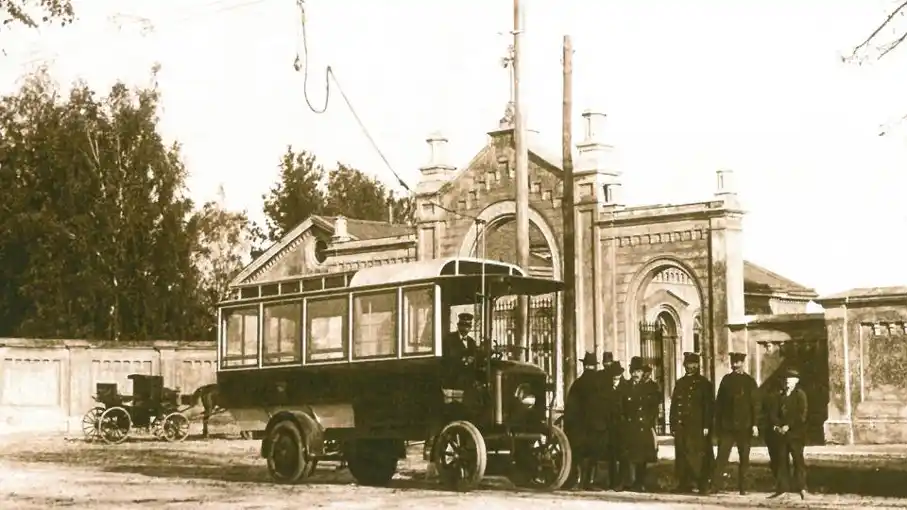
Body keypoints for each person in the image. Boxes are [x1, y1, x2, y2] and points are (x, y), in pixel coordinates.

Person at [710, 352, 760, 495]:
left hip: (745, 426)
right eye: (733, 362)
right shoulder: (726, 380)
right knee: (721, 456)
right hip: (727, 426)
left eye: (738, 362)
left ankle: (743, 487)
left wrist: (755, 424)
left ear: (743, 363)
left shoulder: (750, 382)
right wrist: (717, 424)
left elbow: (755, 404)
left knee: (744, 457)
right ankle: (715, 486)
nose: (735, 365)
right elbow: (719, 403)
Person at [669, 352, 715, 494]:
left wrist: (707, 425)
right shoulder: (680, 383)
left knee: (700, 455)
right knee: (682, 454)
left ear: (698, 365)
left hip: (698, 426)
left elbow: (709, 406)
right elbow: (674, 405)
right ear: (684, 365)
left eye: (694, 364)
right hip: (682, 425)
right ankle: (684, 484)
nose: (691, 367)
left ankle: (702, 484)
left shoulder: (704, 384)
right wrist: (673, 424)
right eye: (688, 364)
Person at [620, 356, 660, 492]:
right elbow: (621, 406)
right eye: (633, 372)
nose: (635, 374)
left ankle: (640, 482)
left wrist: (649, 421)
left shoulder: (649, 388)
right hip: (629, 425)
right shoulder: (625, 387)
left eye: (638, 372)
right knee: (628, 455)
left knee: (642, 456)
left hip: (643, 425)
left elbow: (654, 407)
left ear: (643, 373)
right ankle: (628, 481)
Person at [768, 367, 809, 500]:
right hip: (781, 435)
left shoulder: (800, 395)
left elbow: (801, 415)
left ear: (796, 381)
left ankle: (802, 488)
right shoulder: (779, 395)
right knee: (781, 461)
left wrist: (788, 426)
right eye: (786, 380)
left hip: (795, 434)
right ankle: (782, 489)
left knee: (798, 461)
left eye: (790, 380)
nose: (787, 382)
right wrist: (776, 426)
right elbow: (773, 413)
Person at [563, 352, 603, 490]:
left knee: (578, 455)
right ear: (594, 366)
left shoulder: (577, 384)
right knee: (593, 455)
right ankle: (589, 482)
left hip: (579, 427)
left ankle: (575, 480)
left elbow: (570, 408)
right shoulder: (599, 384)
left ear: (584, 366)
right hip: (597, 427)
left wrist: (569, 426)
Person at [602, 359, 626, 490]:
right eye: (613, 376)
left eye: (617, 375)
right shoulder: (606, 387)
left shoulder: (625, 386)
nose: (615, 378)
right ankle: (612, 481)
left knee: (622, 455)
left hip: (622, 426)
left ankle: (621, 482)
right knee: (611, 455)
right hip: (610, 426)